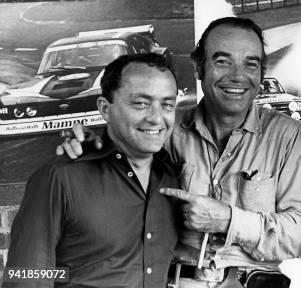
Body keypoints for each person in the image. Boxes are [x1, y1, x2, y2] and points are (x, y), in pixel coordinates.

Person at [58, 17, 301, 287]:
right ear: (198, 68)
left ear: (261, 73)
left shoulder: (287, 136)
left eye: (250, 64)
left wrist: (228, 220)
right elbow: (118, 179)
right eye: (222, 61)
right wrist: (95, 145)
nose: (238, 75)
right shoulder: (166, 131)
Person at [5, 53, 182, 287]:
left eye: (167, 105)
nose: (156, 118)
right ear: (105, 109)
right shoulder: (60, 178)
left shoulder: (172, 179)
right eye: (141, 103)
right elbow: (26, 276)